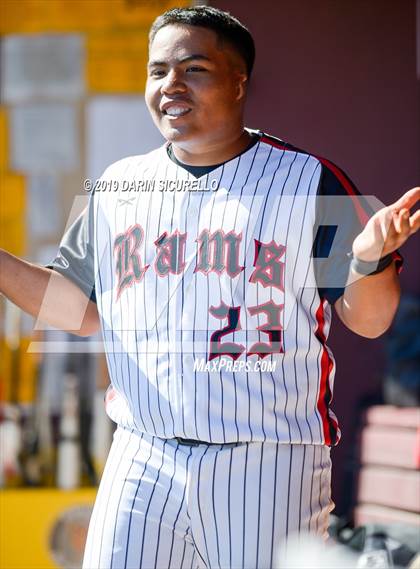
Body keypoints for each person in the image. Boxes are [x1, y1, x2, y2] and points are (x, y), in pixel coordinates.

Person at [0, 6, 418, 568]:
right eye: (156, 71)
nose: (170, 84)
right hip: (142, 453)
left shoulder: (308, 180)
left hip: (268, 460)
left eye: (193, 68)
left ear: (238, 80)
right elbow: (76, 308)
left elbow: (370, 319)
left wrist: (369, 259)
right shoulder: (117, 185)